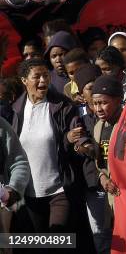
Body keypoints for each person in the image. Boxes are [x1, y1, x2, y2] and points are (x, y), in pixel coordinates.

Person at [12, 59, 80, 235]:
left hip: (59, 190)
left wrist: (71, 138)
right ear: (24, 80)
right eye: (37, 76)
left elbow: (75, 133)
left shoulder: (62, 106)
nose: (43, 81)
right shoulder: (15, 111)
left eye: (46, 76)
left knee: (58, 239)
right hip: (29, 195)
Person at [72, 75, 122, 254]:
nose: (98, 108)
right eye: (95, 103)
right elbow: (98, 159)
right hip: (105, 187)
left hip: (125, 191)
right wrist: (101, 176)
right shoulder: (98, 126)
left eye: (103, 103)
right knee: (102, 236)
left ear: (118, 100)